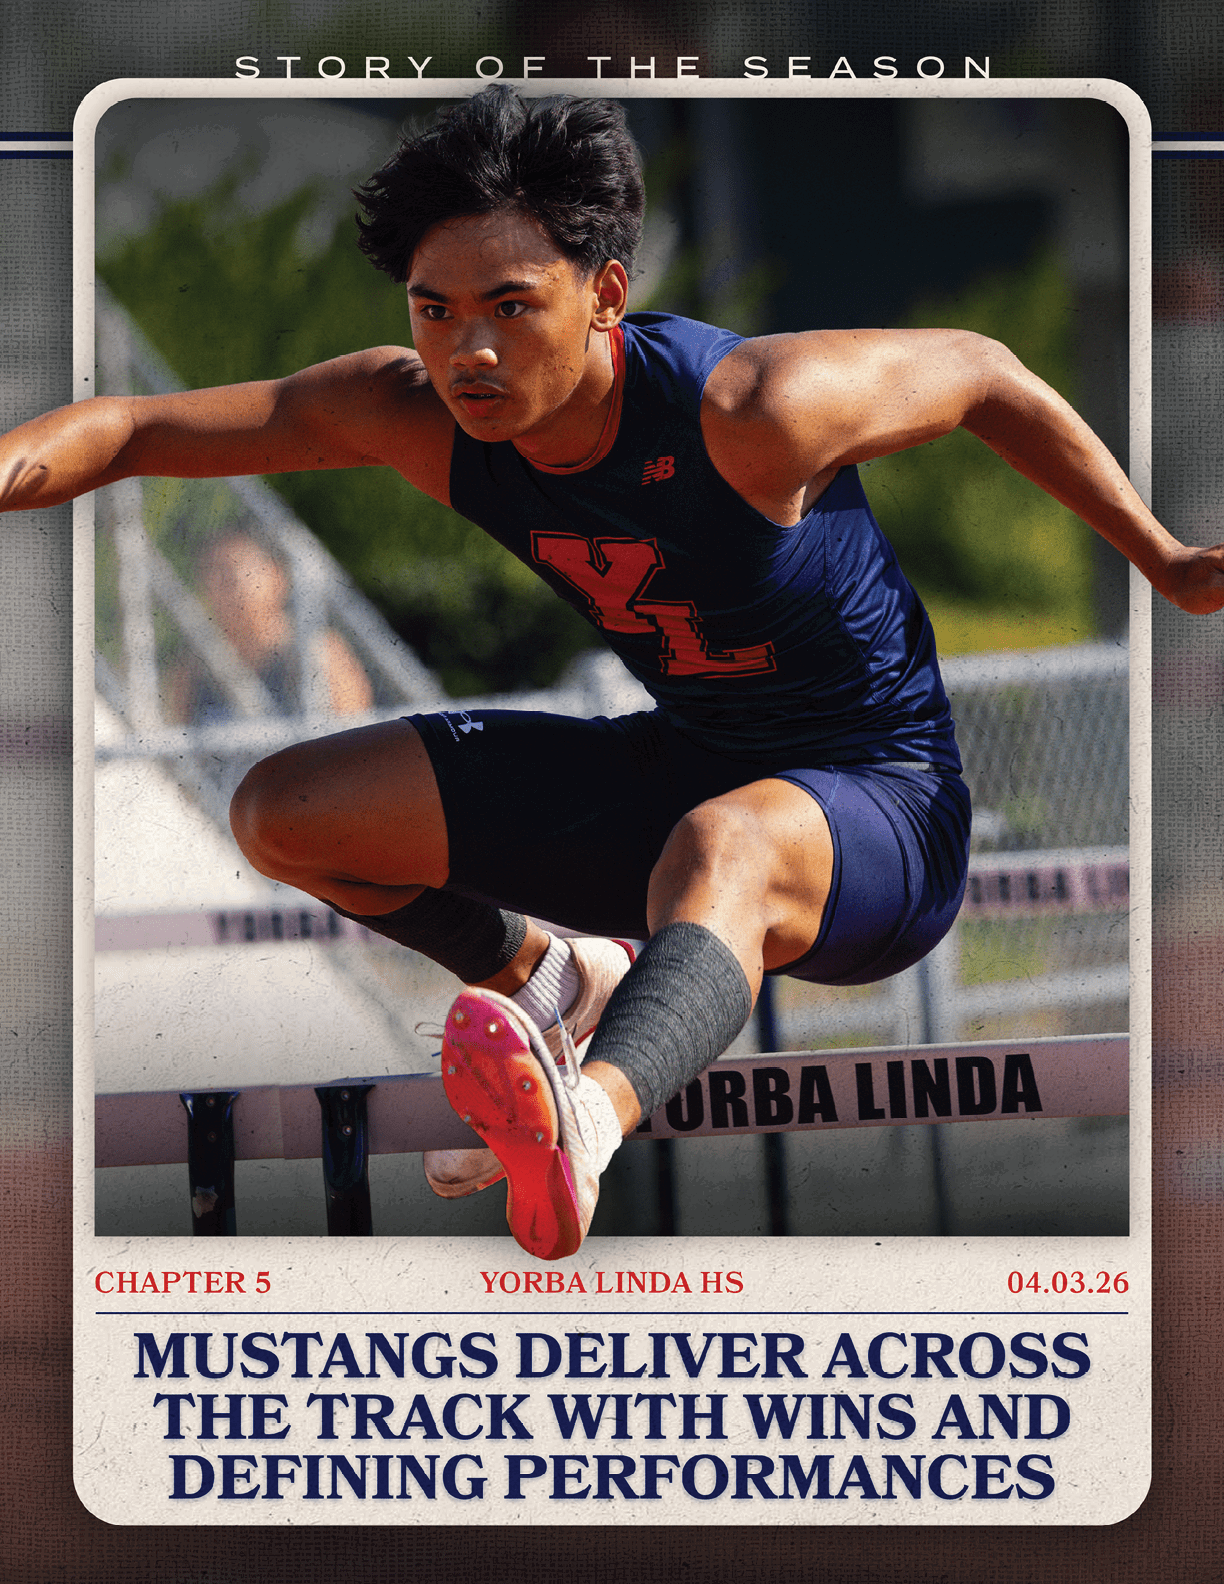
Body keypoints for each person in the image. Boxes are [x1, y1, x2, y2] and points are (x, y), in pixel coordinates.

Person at [5, 89, 1222, 1260]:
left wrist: (1160, 558)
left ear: (606, 295)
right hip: (682, 767)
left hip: (881, 810)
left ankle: (582, 1122)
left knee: (729, 841)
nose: (467, 349)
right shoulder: (418, 413)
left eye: (511, 307)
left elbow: (984, 368)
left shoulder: (755, 409)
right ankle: (547, 980)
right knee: (287, 812)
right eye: (434, 310)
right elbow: (127, 428)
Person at [165, 531, 373, 723]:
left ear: (277, 577)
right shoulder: (194, 671)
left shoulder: (319, 654)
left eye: (230, 575)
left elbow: (350, 742)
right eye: (210, 575)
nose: (220, 589)